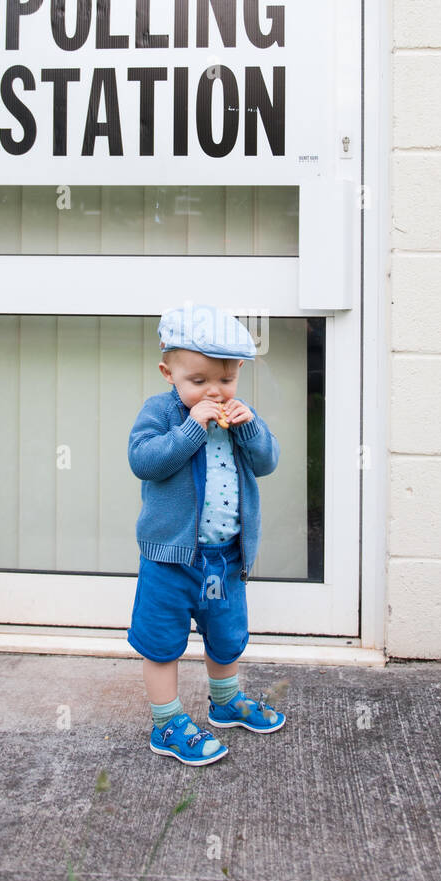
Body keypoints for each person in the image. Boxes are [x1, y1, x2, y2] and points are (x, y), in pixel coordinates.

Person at [127, 303, 285, 765]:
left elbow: (267, 462)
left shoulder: (241, 416)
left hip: (225, 557)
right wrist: (191, 430)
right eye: (198, 382)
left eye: (226, 380)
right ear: (168, 373)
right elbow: (145, 461)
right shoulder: (162, 412)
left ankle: (225, 701)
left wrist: (249, 426)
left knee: (226, 634)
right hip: (170, 559)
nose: (214, 392)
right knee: (161, 642)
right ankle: (167, 722)